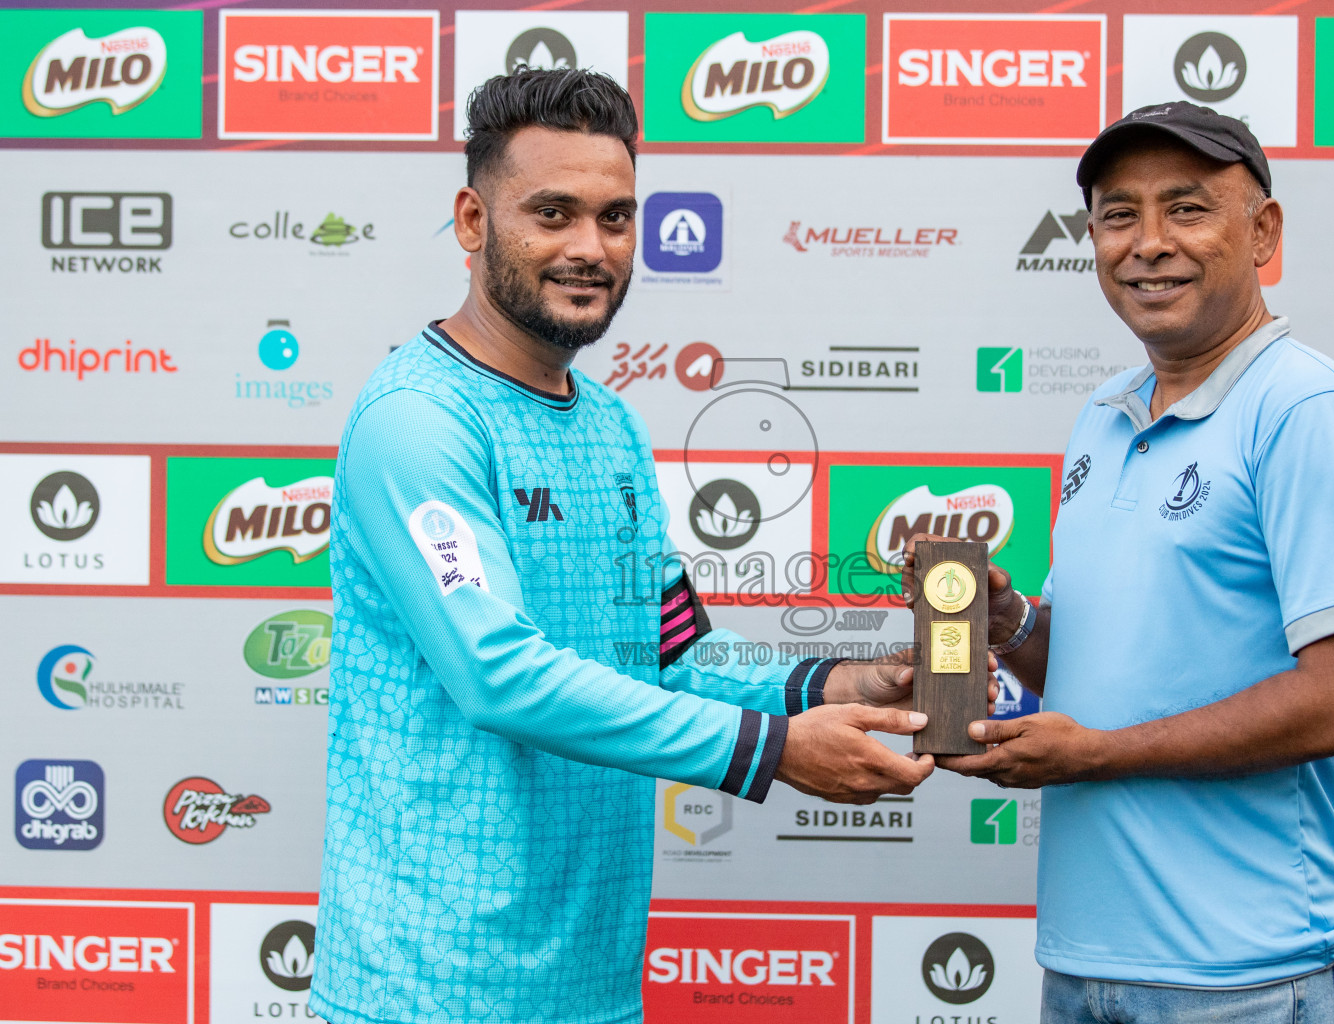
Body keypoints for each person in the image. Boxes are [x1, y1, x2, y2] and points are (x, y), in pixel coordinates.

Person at [311, 69, 956, 1024]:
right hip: (429, 991)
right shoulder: (418, 421)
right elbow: (499, 676)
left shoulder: (610, 427)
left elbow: (670, 655)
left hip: (592, 986)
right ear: (473, 221)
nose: (589, 248)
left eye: (615, 218)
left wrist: (830, 690)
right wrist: (771, 750)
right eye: (553, 213)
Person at [912, 102, 1334, 1023]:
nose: (1147, 243)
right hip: (1087, 963)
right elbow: (1100, 663)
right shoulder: (1103, 416)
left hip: (1261, 975)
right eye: (1118, 214)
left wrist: (1099, 756)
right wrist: (1012, 625)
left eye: (1186, 209)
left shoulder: (1306, 409)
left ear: (1262, 232)